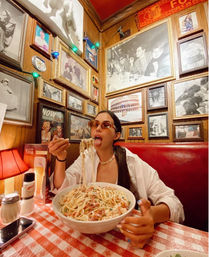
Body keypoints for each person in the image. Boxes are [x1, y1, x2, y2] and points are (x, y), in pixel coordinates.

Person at [48, 110, 184, 248]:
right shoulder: (86, 156)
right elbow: (62, 188)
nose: (98, 128)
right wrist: (60, 157)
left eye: (105, 125)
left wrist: (151, 215)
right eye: (95, 124)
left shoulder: (132, 162)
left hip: (125, 236)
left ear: (116, 135)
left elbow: (173, 203)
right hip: (87, 237)